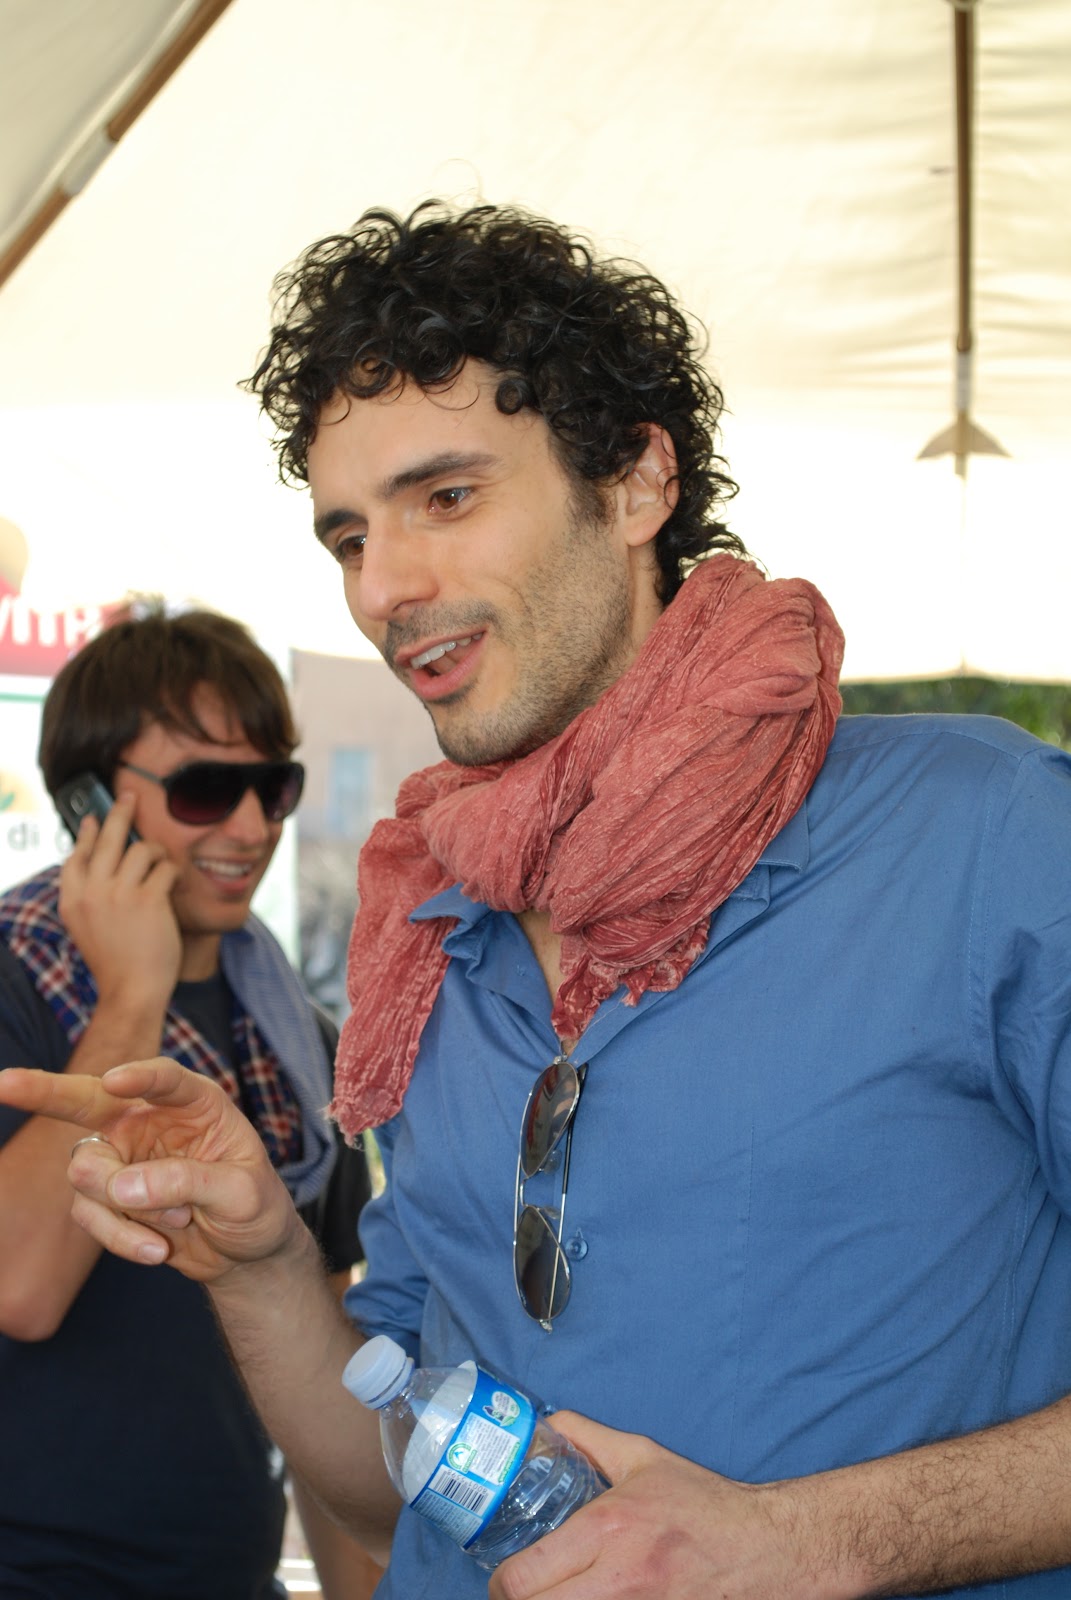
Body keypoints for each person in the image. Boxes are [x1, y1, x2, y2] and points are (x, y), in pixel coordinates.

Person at [1, 201, 1070, 1600]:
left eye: (446, 498)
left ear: (635, 484)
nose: (385, 587)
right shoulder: (431, 925)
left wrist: (809, 1540)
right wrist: (258, 1266)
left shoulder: (983, 833)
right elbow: (383, 1482)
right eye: (347, 537)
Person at [0, 603, 381, 1600]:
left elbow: (326, 1358)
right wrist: (134, 994)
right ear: (89, 803)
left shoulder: (299, 1042)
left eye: (273, 786)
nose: (251, 828)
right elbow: (20, 1287)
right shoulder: (15, 981)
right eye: (206, 788)